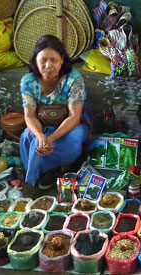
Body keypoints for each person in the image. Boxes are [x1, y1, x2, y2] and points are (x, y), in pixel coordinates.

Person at [20, 35, 90, 190]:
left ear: (62, 59)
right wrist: (40, 136)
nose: (48, 65)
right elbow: (30, 115)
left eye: (53, 60)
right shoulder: (28, 81)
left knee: (72, 141)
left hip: (70, 123)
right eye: (43, 60)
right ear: (35, 61)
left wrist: (50, 138)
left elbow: (74, 116)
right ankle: (43, 171)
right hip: (42, 122)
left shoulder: (73, 79)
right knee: (27, 137)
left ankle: (44, 172)